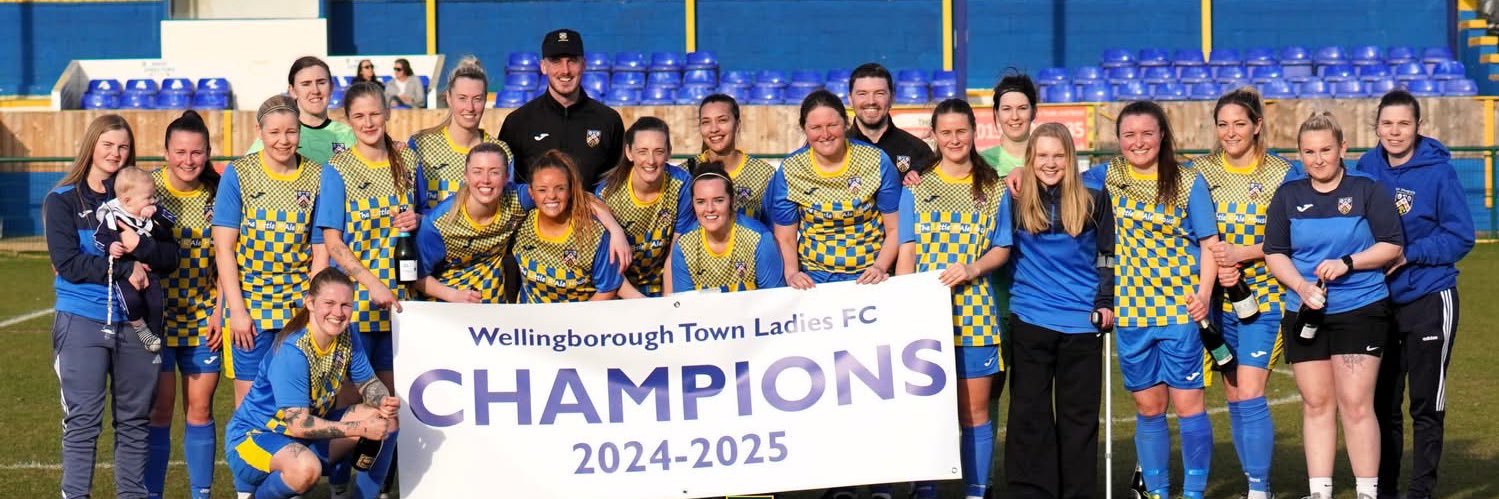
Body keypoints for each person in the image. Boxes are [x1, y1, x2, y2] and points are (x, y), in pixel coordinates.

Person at [1084, 100, 1219, 499]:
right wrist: (1018, 173)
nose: (1138, 142)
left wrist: (1204, 295)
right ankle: (1157, 491)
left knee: (1189, 404)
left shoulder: (1187, 180)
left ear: (1163, 135)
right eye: (1129, 135)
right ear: (1118, 139)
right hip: (1130, 312)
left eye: (1147, 133)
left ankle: (1193, 493)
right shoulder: (1104, 176)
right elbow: (1055, 179)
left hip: (1181, 311)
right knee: (1148, 408)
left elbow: (1210, 245)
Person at [1265, 112, 1404, 499]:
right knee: (1316, 403)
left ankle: (1366, 491)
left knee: (1356, 404)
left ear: (1342, 148)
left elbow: (1392, 244)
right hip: (1305, 311)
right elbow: (1274, 252)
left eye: (1326, 149)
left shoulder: (1367, 189)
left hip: (1361, 308)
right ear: (1300, 155)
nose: (1318, 158)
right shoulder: (1288, 195)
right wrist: (1300, 285)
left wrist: (1349, 263)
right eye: (1309, 152)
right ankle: (1320, 491)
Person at [45, 114, 179, 499]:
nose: (115, 153)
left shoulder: (140, 196)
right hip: (82, 320)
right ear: (91, 146)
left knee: (135, 421)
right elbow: (69, 263)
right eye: (107, 145)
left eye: (122, 146)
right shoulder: (62, 199)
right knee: (84, 421)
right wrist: (126, 266)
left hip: (137, 325)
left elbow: (171, 257)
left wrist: (143, 250)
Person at [1359, 90, 1475, 499]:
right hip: (1377, 302)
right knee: (1381, 405)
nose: (1394, 131)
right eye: (1387, 123)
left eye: (1403, 123)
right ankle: (1385, 490)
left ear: (1418, 126)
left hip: (1430, 297)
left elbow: (1461, 235)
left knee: (1425, 405)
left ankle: (1420, 491)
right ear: (1376, 126)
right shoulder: (1365, 168)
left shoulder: (1439, 172)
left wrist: (1410, 254)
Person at [894, 99, 1010, 499]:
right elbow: (905, 251)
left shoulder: (993, 186)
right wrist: (902, 307)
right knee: (928, 413)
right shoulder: (916, 185)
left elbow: (1002, 248)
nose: (955, 139)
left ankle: (976, 492)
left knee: (974, 414)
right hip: (925, 319)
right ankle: (925, 491)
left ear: (974, 132)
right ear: (935, 136)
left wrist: (973, 268)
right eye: (946, 132)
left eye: (962, 131)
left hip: (974, 316)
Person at [1190, 86, 1296, 499]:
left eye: (1239, 123)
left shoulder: (1281, 172)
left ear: (1257, 126)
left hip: (1266, 299)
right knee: (1234, 393)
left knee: (1250, 391)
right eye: (1223, 124)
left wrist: (1244, 252)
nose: (1230, 132)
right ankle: (1256, 480)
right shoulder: (1201, 172)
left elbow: (1291, 235)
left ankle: (1258, 489)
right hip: (1217, 303)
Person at [1000, 122, 1114, 498]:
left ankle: (1077, 491)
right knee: (1028, 416)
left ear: (1071, 157)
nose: (1050, 163)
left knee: (1078, 419)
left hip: (1081, 325)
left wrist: (1104, 301)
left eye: (1058, 155)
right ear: (1031, 159)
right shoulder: (1013, 199)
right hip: (1030, 320)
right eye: (1042, 155)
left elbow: (1106, 258)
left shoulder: (1095, 199)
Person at [223, 268, 399, 499]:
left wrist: (383, 400)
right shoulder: (292, 350)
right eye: (329, 303)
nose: (338, 312)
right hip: (255, 438)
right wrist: (360, 429)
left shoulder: (348, 334)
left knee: (387, 422)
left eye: (346, 305)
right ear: (310, 303)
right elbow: (299, 424)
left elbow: (368, 382)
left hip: (302, 438)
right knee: (306, 469)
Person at [214, 95, 327, 405]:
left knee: (298, 401)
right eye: (274, 132)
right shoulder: (239, 174)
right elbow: (224, 249)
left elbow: (320, 251)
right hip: (250, 308)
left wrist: (311, 309)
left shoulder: (318, 176)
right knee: (251, 402)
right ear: (259, 131)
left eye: (290, 131)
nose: (283, 140)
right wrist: (237, 311)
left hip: (297, 307)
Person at [415, 144, 630, 303]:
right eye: (478, 172)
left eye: (494, 172)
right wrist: (453, 296)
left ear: (506, 176)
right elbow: (413, 275)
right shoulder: (439, 223)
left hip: (500, 315)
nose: (486, 180)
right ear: (466, 176)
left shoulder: (517, 200)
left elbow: (572, 196)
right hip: (449, 313)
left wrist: (614, 228)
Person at [315, 81, 419, 395]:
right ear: (348, 119)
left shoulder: (409, 162)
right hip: (354, 307)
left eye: (375, 114)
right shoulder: (337, 168)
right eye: (359, 116)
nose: (368, 122)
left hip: (402, 305)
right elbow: (333, 243)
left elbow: (427, 222)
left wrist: (419, 219)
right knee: (352, 408)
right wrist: (371, 282)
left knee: (395, 404)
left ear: (387, 113)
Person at [144, 110, 224, 499]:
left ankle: (201, 494)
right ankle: (153, 494)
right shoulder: (148, 190)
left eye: (197, 153)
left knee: (200, 410)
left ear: (208, 153)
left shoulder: (220, 192)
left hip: (202, 320)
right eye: (180, 152)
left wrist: (220, 310)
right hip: (155, 322)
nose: (188, 161)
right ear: (165, 152)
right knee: (159, 412)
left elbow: (230, 258)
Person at [767, 89, 901, 291]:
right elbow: (785, 236)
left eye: (832, 125)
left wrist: (880, 267)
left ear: (846, 123)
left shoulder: (876, 160)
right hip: (814, 281)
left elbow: (895, 228)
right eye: (816, 127)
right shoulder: (790, 169)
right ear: (804, 129)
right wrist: (793, 273)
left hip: (870, 277)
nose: (825, 134)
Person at [500, 29, 625, 187]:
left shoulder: (608, 120)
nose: (565, 70)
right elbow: (504, 186)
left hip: (592, 212)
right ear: (543, 66)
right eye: (556, 61)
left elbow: (620, 182)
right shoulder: (518, 122)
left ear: (584, 65)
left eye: (572, 60)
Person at [595, 117, 694, 298]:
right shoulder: (607, 193)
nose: (651, 160)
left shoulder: (682, 184)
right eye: (642, 151)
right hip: (620, 290)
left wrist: (666, 305)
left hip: (663, 286)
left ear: (669, 153)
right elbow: (607, 266)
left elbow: (676, 253)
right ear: (629, 152)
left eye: (658, 151)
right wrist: (642, 304)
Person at [512, 150, 624, 302]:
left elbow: (608, 289)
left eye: (560, 188)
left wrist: (573, 322)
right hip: (529, 323)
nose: (551, 195)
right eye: (542, 190)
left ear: (570, 190)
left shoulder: (593, 234)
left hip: (576, 323)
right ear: (531, 193)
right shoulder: (520, 223)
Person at [410, 56, 515, 212]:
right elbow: (410, 207)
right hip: (433, 236)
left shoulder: (501, 151)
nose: (470, 107)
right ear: (449, 98)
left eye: (477, 99)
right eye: (462, 98)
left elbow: (507, 210)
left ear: (485, 100)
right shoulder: (420, 145)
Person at [666, 162, 785, 294]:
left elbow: (776, 302)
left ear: (732, 200)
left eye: (718, 200)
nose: (710, 209)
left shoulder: (760, 239)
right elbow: (685, 307)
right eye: (701, 202)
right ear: (693, 203)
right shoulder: (683, 247)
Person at [92, 165, 166, 354]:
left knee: (157, 302)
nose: (152, 200)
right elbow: (99, 238)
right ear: (127, 200)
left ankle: (155, 332)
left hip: (150, 270)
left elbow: (169, 226)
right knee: (131, 301)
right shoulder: (113, 215)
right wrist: (111, 246)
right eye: (148, 197)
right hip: (123, 272)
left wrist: (155, 212)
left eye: (153, 196)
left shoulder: (152, 213)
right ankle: (141, 329)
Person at [247, 56, 356, 165]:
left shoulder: (349, 136)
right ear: (293, 91)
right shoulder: (276, 136)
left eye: (321, 82)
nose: (315, 90)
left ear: (331, 87)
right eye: (306, 84)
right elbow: (245, 174)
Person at [695, 93, 777, 225]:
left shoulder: (765, 175)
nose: (714, 129)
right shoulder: (686, 172)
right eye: (706, 122)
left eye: (722, 120)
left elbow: (775, 229)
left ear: (737, 124)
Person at [846, 62, 936, 177]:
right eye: (862, 94)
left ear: (892, 98)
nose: (871, 101)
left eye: (879, 93)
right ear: (850, 99)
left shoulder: (918, 150)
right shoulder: (837, 150)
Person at [980, 72, 1038, 177]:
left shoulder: (1047, 161)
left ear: (1034, 112)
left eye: (1022, 108)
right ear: (997, 114)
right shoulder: (982, 163)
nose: (1014, 117)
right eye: (1006, 109)